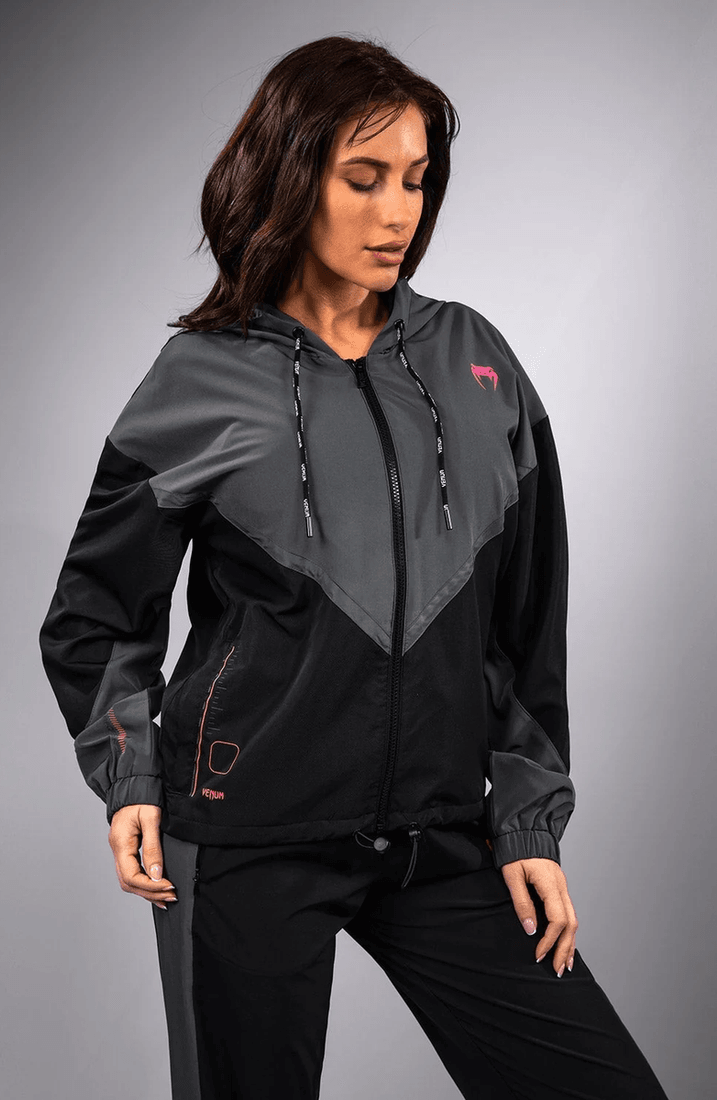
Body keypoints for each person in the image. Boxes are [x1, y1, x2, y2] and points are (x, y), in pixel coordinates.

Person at [39, 34, 670, 1100]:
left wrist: (526, 822)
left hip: (438, 832)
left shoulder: (474, 360)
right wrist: (129, 774)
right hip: (245, 834)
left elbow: (528, 620)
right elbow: (94, 612)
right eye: (363, 177)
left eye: (415, 181)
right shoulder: (200, 377)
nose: (397, 214)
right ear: (291, 178)